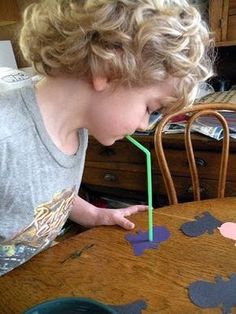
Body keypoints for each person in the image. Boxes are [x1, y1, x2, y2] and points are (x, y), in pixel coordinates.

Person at [0, 0, 214, 276]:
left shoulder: (77, 127)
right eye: (150, 108)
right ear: (108, 70)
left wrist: (93, 214)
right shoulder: (6, 135)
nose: (144, 125)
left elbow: (40, 193)